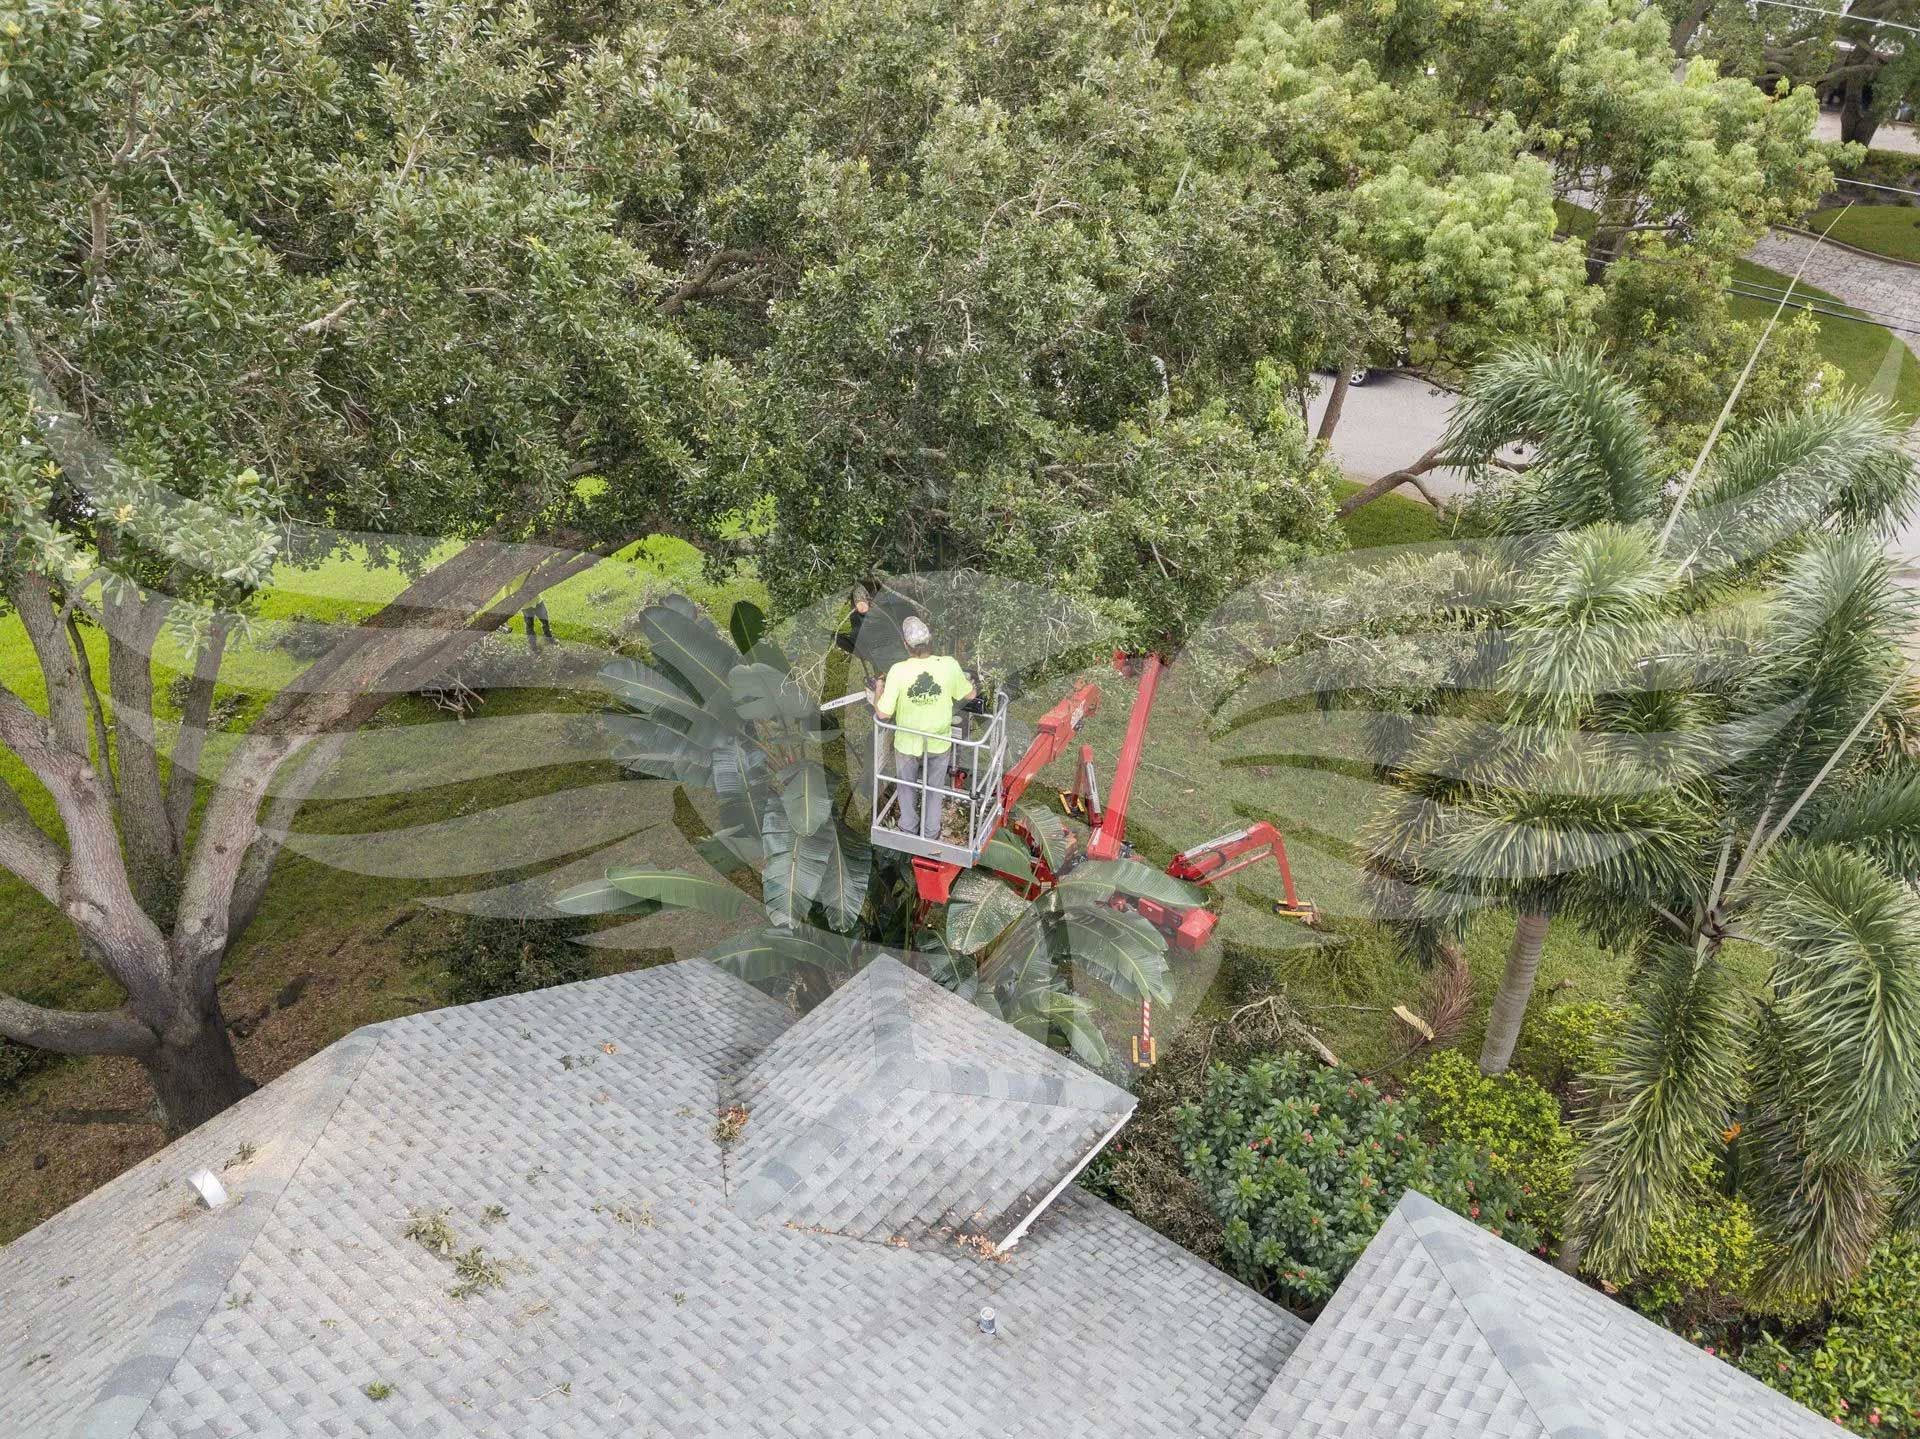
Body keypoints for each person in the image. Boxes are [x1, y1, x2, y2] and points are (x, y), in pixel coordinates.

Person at [873, 616, 975, 839]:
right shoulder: (948, 665)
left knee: (906, 786)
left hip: (907, 742)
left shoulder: (898, 671)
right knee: (935, 788)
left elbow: (883, 713)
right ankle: (931, 832)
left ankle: (908, 828)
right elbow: (969, 694)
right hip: (939, 741)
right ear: (930, 642)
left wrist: (878, 689)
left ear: (906, 645)